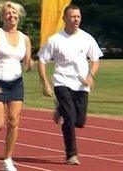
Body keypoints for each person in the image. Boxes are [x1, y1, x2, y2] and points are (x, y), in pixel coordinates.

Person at [37, 4, 103, 165]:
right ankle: (71, 155)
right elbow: (42, 61)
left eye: (78, 17)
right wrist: (45, 83)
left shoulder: (87, 38)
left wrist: (91, 76)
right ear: (64, 18)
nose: (76, 20)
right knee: (70, 119)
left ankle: (60, 109)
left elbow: (95, 59)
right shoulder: (55, 40)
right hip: (62, 82)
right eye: (72, 17)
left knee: (79, 121)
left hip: (81, 85)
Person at [0, 1, 33, 171]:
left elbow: (26, 61)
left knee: (14, 121)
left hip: (16, 82)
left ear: (19, 16)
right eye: (8, 13)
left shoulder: (25, 39)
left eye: (14, 13)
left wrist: (30, 63)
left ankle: (7, 159)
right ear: (2, 16)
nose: (12, 16)